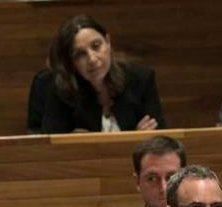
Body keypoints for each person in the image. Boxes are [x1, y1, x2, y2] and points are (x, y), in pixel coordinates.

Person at [29, 14, 164, 133]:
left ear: (108, 42)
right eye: (80, 54)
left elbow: (158, 142)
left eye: (96, 45)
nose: (92, 59)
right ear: (70, 62)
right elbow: (53, 149)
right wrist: (134, 138)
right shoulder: (58, 88)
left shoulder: (141, 79)